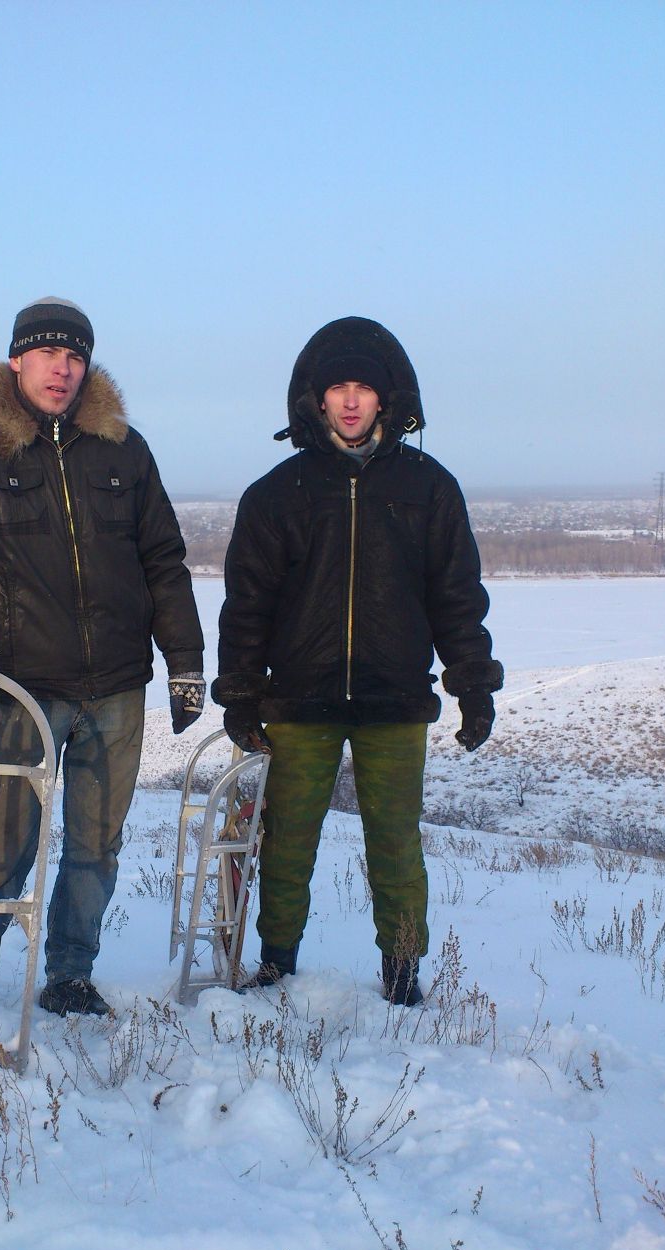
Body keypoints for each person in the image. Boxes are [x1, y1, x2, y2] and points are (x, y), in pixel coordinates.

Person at [0, 297, 204, 1016]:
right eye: (46, 354)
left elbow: (163, 559)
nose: (61, 369)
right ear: (16, 360)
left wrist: (184, 659)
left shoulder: (123, 448)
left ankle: (70, 973)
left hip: (118, 687)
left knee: (97, 845)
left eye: (74, 356)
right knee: (2, 844)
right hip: (21, 688)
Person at [212, 316, 502, 1005]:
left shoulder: (429, 488)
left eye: (364, 388)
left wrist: (473, 685)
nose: (350, 400)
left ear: (386, 399)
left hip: (394, 699)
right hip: (299, 700)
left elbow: (456, 596)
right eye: (338, 387)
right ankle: (277, 964)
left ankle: (402, 973)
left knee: (396, 844)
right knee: (287, 842)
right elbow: (248, 604)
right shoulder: (277, 493)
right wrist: (242, 694)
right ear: (316, 399)